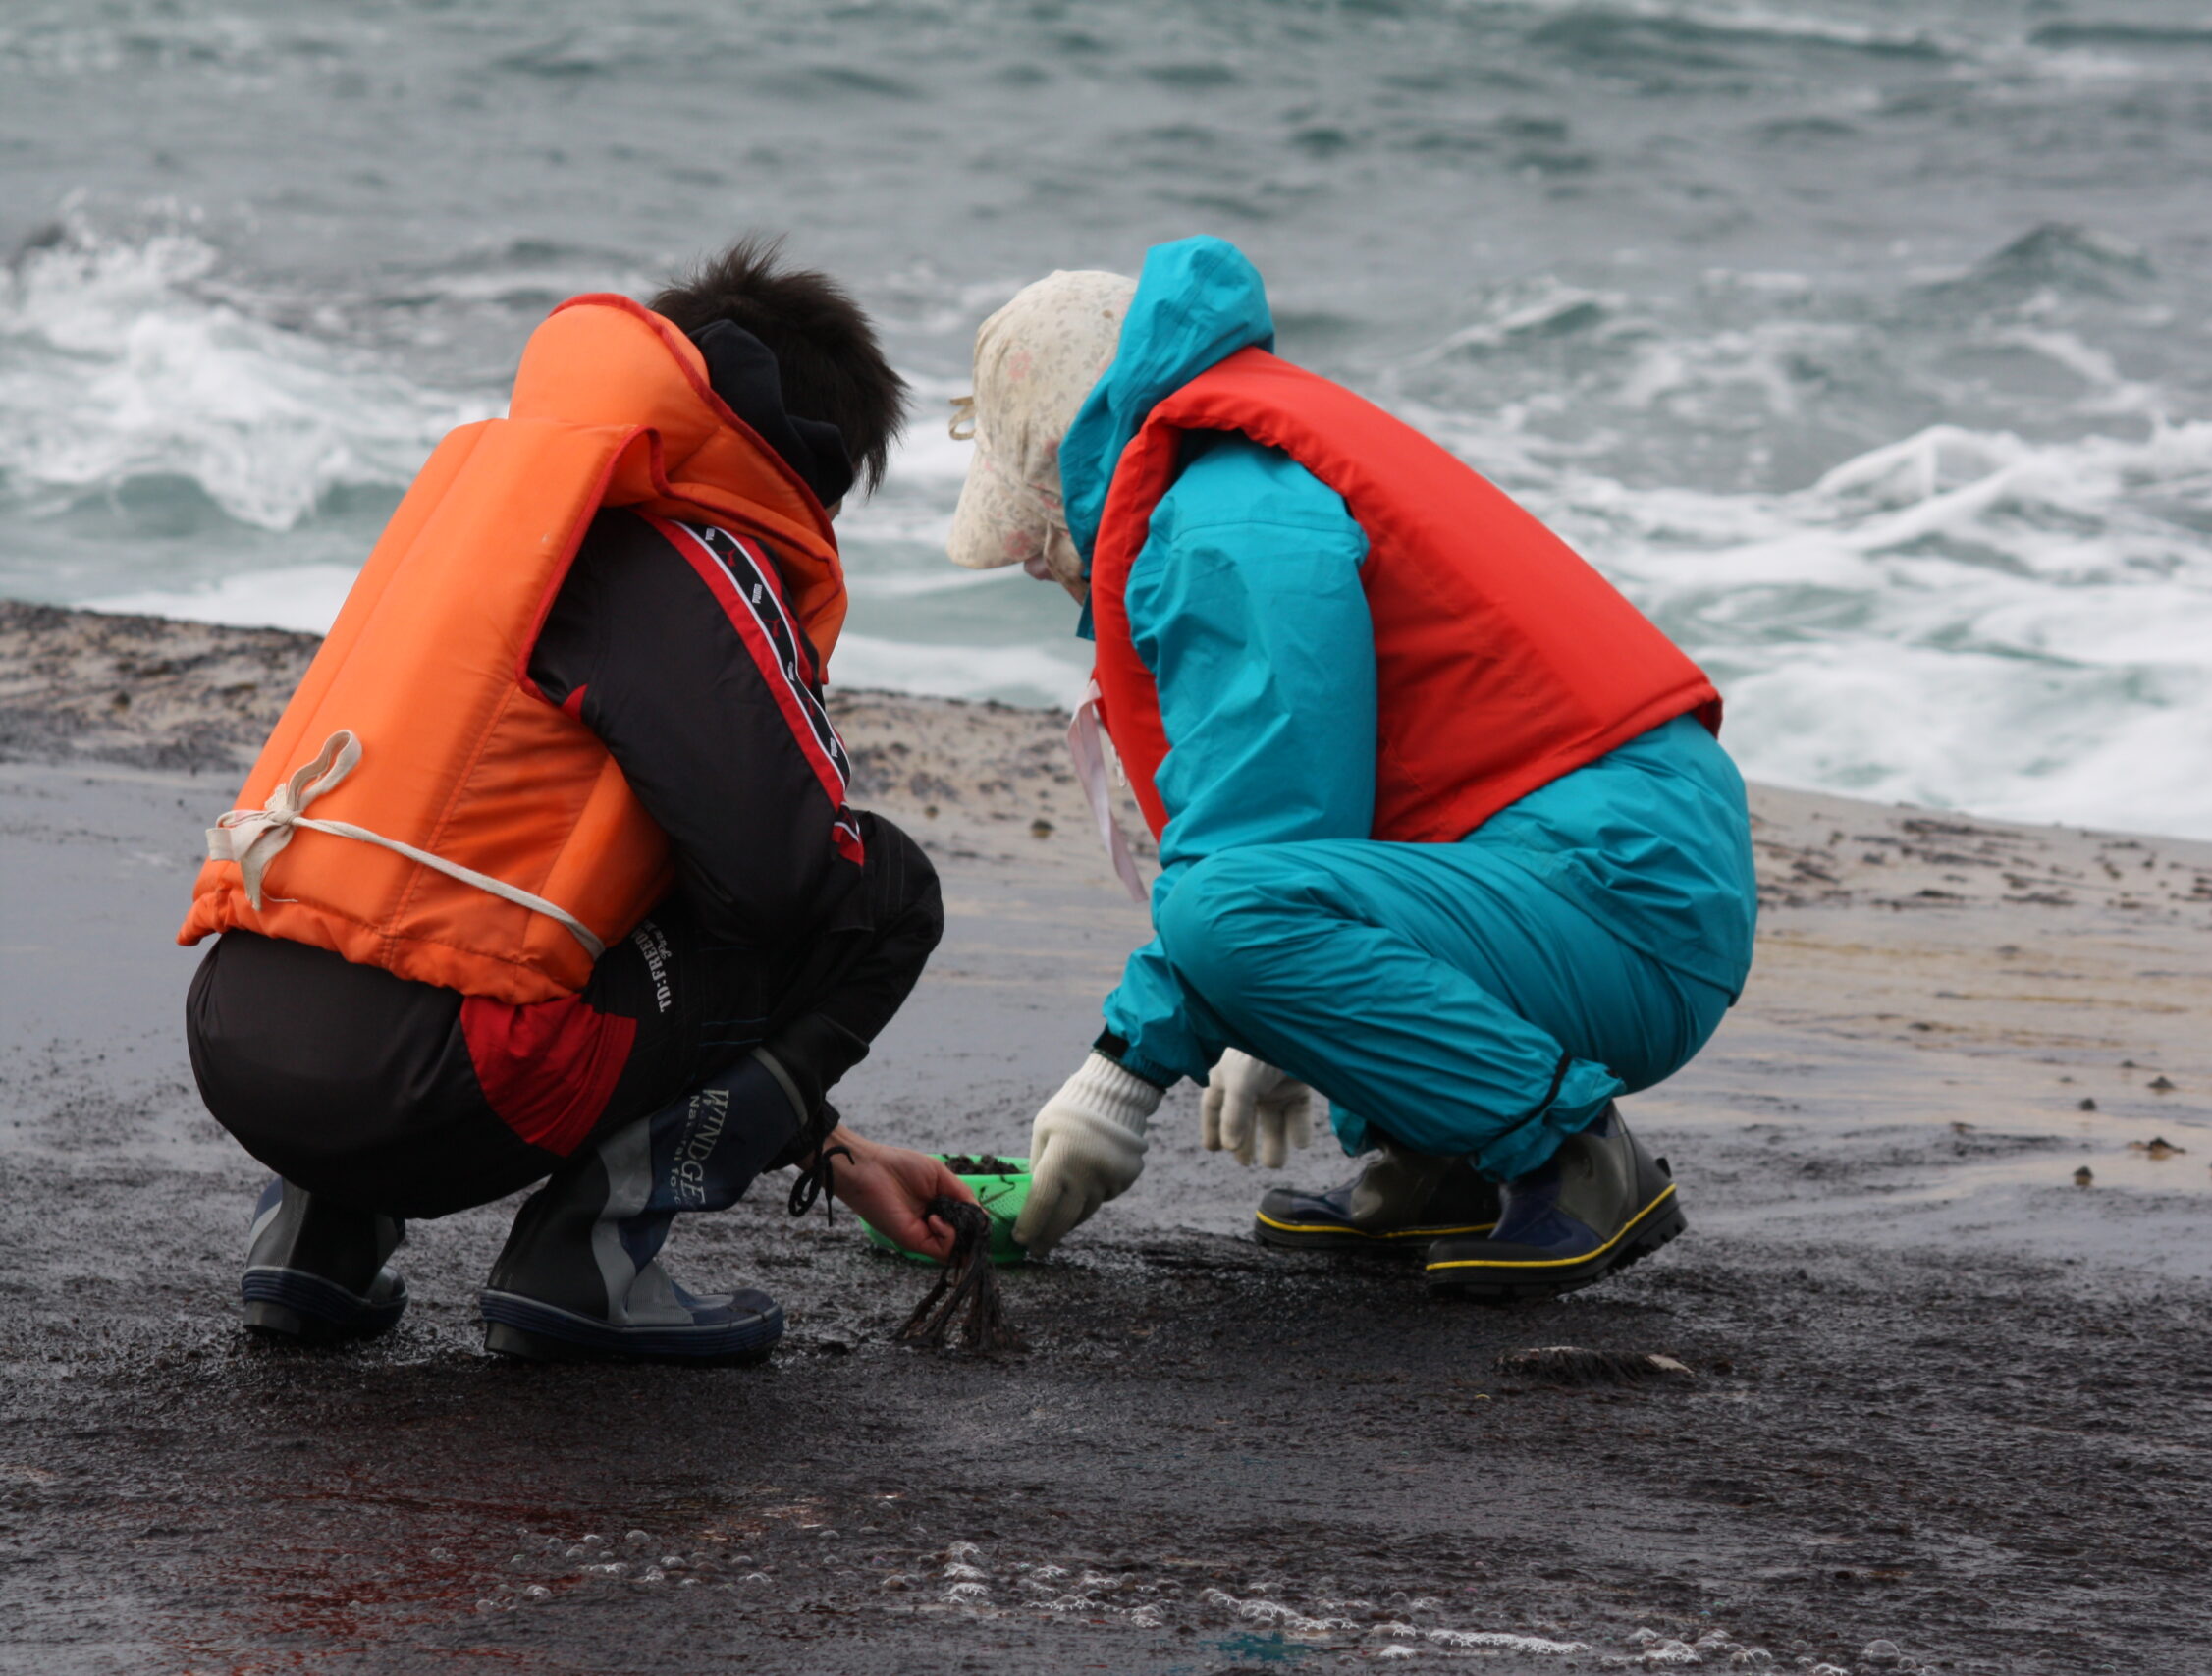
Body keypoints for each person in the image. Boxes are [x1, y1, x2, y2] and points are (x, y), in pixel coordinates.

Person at [180, 239, 972, 1362]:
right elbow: (780, 887)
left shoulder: (488, 511)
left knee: (426, 864)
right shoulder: (693, 547)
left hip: (243, 1042)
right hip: (448, 1083)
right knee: (882, 890)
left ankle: (317, 1241)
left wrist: (831, 1151)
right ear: (811, 461)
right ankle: (586, 1261)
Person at [944, 237, 1757, 1300]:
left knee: (1227, 913)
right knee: (1243, 914)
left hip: (1621, 902)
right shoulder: (1238, 472)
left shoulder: (1222, 521)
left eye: (1031, 535)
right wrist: (1273, 1018)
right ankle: (1447, 1166)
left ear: (1062, 463)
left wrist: (1117, 1081)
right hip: (1625, 873)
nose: (1037, 563)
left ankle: (1572, 1159)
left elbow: (1262, 843)